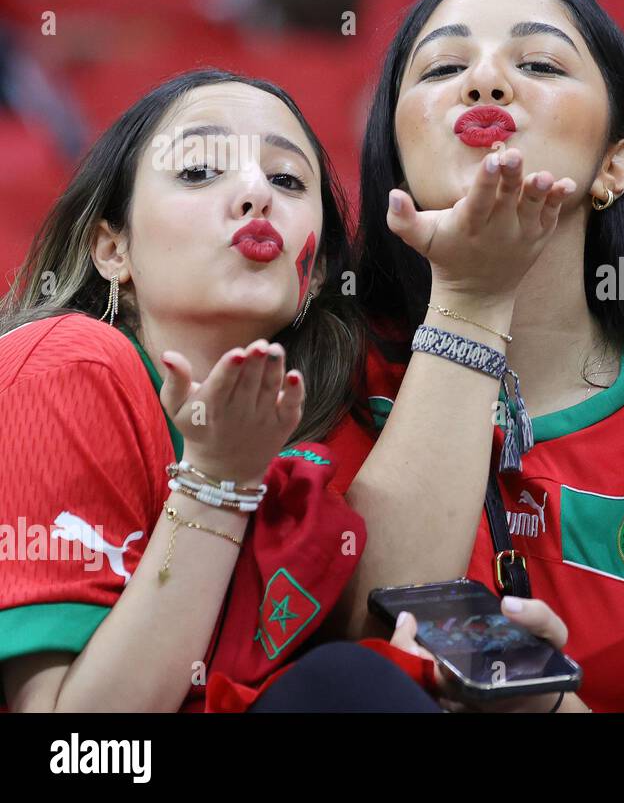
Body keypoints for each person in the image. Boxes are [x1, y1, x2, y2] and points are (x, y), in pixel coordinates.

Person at [326, 0, 624, 713]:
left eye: (539, 63)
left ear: (617, 165)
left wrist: (544, 706)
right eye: (444, 67)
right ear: (396, 155)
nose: (484, 83)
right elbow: (361, 639)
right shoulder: (322, 382)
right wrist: (470, 299)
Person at [0, 69, 371, 712]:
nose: (257, 194)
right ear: (113, 249)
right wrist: (217, 483)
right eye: (200, 170)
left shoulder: (328, 423)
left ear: (314, 281)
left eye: (286, 179)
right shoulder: (65, 361)